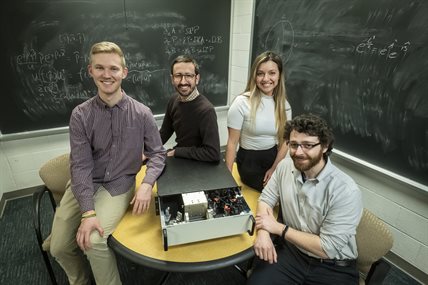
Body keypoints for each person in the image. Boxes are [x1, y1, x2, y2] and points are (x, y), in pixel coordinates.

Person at [49, 41, 166, 285]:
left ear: (124, 72)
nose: (106, 75)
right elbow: (80, 166)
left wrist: (146, 184)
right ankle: (81, 280)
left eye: (113, 69)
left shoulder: (142, 113)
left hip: (118, 184)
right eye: (99, 68)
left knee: (93, 241)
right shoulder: (81, 114)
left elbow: (158, 154)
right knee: (58, 248)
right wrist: (88, 212)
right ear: (90, 71)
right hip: (85, 182)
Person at [247, 114, 363, 285]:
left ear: (324, 146)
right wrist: (263, 233)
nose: (298, 152)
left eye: (308, 145)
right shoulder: (284, 167)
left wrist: (279, 228)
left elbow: (327, 248)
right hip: (292, 254)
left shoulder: (346, 190)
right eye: (293, 145)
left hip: (333, 266)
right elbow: (266, 199)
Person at [225, 51, 292, 191]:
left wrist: (274, 168)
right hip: (249, 162)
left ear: (279, 75)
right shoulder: (241, 102)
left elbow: (285, 141)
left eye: (272, 73)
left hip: (274, 159)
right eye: (260, 73)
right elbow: (232, 143)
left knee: (292, 190)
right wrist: (227, 177)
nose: (265, 78)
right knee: (277, 193)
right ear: (254, 76)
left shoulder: (284, 105)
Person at [159, 55, 221, 162]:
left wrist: (176, 152)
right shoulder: (173, 100)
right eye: (178, 75)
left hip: (200, 166)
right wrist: (147, 150)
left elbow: (213, 153)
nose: (183, 81)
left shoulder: (206, 111)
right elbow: (164, 133)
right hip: (181, 159)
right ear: (172, 79)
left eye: (188, 75)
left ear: (196, 78)